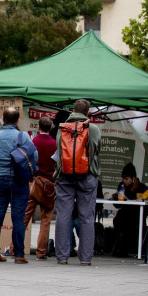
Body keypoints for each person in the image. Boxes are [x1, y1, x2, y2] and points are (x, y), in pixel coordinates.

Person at [54, 99, 101, 265]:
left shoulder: (62, 128)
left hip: (65, 176)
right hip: (87, 176)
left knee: (63, 215)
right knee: (86, 217)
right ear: (87, 112)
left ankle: (61, 257)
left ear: (72, 110)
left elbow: (59, 152)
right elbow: (96, 150)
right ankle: (86, 259)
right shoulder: (93, 129)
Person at [0, 107, 36, 264]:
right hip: (19, 180)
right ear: (17, 119)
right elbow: (34, 156)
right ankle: (19, 254)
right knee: (18, 218)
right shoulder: (24, 137)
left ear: (3, 118)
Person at [23, 117, 57, 260]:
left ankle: (14, 247)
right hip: (49, 184)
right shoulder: (55, 144)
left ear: (38, 127)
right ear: (51, 128)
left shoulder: (33, 142)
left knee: (25, 217)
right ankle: (41, 252)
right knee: (46, 220)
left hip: (34, 182)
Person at [110, 163, 147, 256]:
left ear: (133, 178)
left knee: (127, 223)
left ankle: (125, 248)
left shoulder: (141, 187)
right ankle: (120, 246)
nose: (124, 181)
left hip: (137, 214)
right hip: (124, 214)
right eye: (123, 179)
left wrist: (128, 199)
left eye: (127, 179)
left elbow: (144, 206)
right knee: (118, 220)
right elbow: (117, 206)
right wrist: (116, 198)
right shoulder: (121, 186)